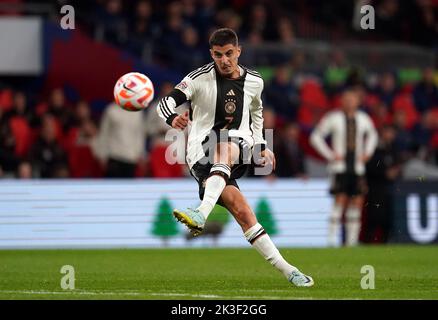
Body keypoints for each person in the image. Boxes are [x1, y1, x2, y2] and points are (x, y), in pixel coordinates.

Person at [157, 28, 313, 287]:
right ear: (212, 54)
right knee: (243, 212)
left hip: (236, 144)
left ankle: (200, 213)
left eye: (229, 54)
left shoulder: (254, 81)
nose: (224, 60)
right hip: (199, 155)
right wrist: (173, 118)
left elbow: (257, 114)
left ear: (238, 51)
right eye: (218, 55)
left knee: (226, 146)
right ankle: (289, 270)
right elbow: (166, 103)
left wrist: (262, 144)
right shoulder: (197, 79)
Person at [310, 88, 378, 247]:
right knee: (339, 201)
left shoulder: (363, 118)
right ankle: (332, 240)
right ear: (341, 101)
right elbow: (315, 137)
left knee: (357, 202)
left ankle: (352, 242)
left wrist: (367, 153)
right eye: (346, 99)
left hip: (357, 168)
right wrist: (330, 155)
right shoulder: (333, 118)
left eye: (352, 99)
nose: (349, 102)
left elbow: (373, 135)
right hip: (339, 168)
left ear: (358, 102)